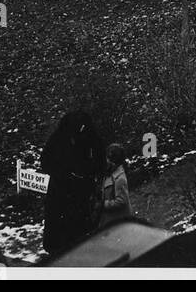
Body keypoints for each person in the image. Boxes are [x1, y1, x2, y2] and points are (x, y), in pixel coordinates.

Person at [41, 109, 107, 257]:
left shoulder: (90, 137)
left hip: (80, 193)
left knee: (78, 234)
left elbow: (100, 162)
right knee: (59, 234)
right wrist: (66, 174)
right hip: (60, 192)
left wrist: (86, 173)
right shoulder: (59, 139)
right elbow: (45, 162)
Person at [99, 144, 132, 228]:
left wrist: (102, 204)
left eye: (107, 159)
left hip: (119, 223)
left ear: (113, 161)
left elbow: (121, 201)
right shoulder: (109, 174)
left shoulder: (119, 178)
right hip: (110, 220)